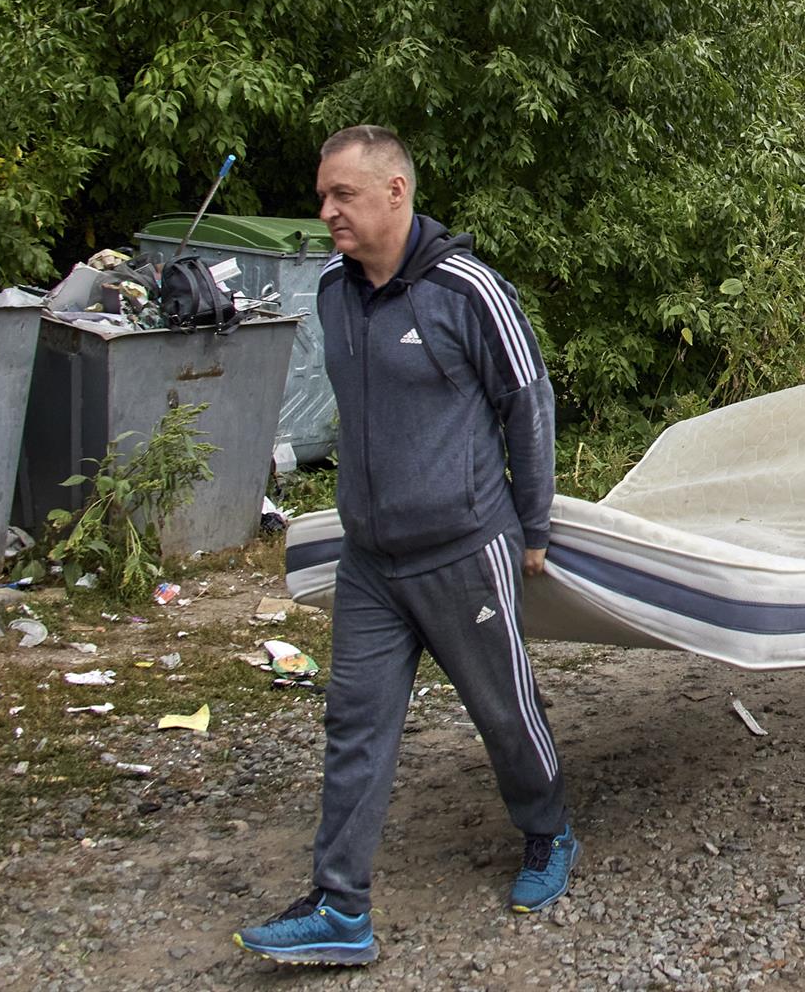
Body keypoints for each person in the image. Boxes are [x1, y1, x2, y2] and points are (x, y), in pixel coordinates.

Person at [236, 126, 575, 966]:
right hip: (371, 564)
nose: (327, 213)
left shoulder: (467, 291)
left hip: (466, 551)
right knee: (354, 724)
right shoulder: (330, 290)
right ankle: (340, 906)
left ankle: (548, 832)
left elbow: (527, 402)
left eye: (342, 196)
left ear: (396, 192)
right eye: (324, 196)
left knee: (503, 711)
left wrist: (532, 527)